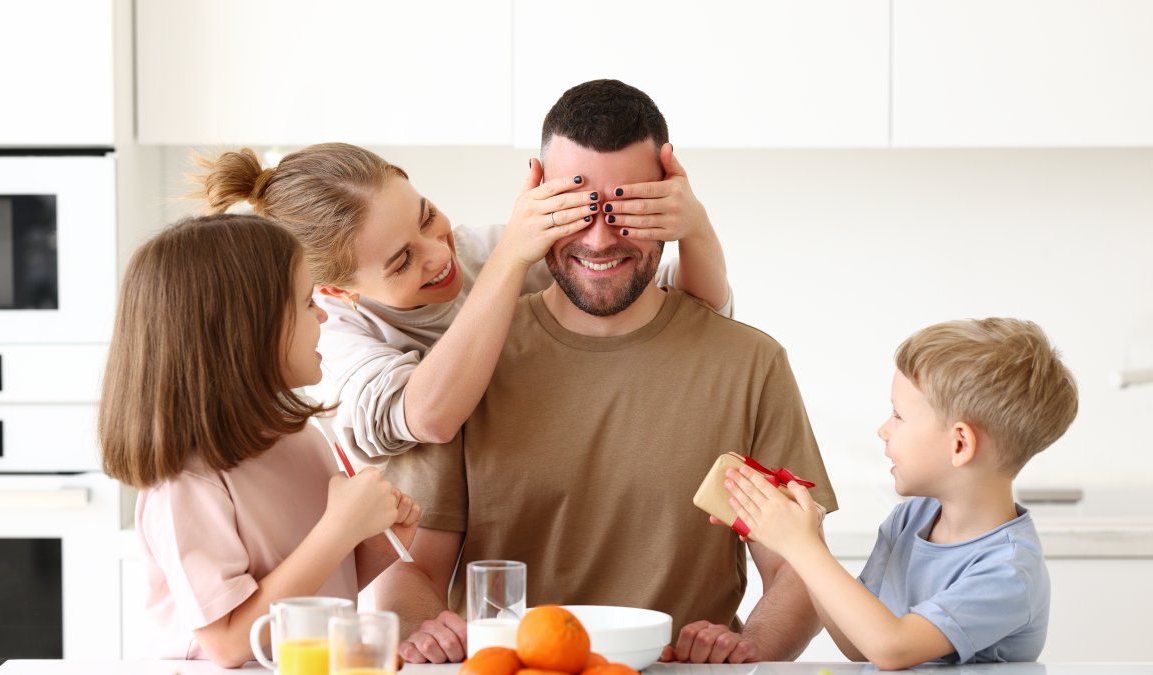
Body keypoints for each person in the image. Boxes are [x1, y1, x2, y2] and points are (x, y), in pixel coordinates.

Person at [373, 79, 839, 665]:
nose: (599, 239)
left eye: (628, 210)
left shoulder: (751, 363)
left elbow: (801, 568)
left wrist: (752, 647)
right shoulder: (469, 365)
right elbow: (410, 568)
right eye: (575, 208)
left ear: (670, 203)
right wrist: (422, 627)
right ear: (537, 200)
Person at [193, 137, 731, 462]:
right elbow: (427, 418)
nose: (437, 255)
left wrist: (697, 230)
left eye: (427, 216)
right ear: (336, 290)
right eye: (401, 261)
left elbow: (691, 325)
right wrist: (510, 263)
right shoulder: (330, 334)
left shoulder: (491, 250)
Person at [98, 214, 420, 665]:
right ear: (246, 330)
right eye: (308, 302)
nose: (324, 314)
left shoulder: (300, 439)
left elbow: (314, 590)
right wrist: (340, 527)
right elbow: (229, 642)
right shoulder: (188, 483)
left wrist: (373, 543)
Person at [723, 318, 1078, 669]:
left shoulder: (1009, 571)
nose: (883, 430)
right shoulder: (910, 520)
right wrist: (806, 537)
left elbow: (890, 647)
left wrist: (802, 547)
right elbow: (857, 644)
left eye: (898, 415)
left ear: (959, 443)